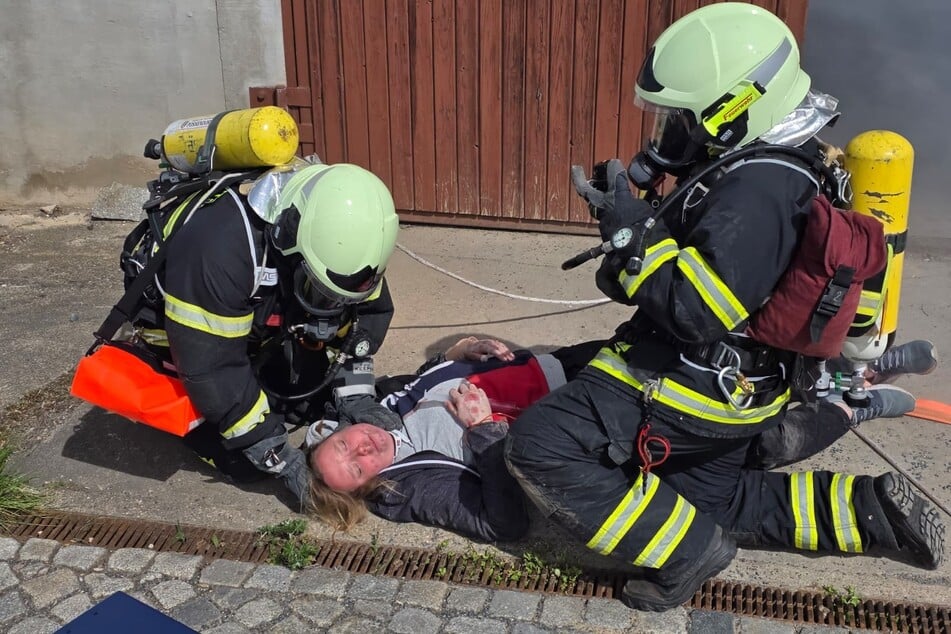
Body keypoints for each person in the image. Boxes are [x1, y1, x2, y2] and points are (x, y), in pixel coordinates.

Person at [503, 3, 946, 612]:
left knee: (539, 445)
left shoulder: (758, 187)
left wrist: (632, 235)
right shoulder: (781, 162)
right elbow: (684, 273)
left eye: (682, 119)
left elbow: (695, 310)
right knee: (708, 505)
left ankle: (686, 555)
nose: (670, 133)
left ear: (735, 109)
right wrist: (633, 233)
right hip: (745, 393)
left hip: (695, 387)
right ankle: (868, 513)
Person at [126, 160, 401, 504]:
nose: (331, 307)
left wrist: (355, 393)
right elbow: (213, 366)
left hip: (252, 315)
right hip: (183, 339)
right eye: (321, 293)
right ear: (288, 239)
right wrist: (276, 455)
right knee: (244, 461)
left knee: (305, 404)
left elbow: (363, 318)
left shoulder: (350, 248)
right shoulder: (219, 251)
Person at [304, 336, 603, 541]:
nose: (362, 448)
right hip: (578, 404)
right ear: (368, 485)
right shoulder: (414, 489)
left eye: (344, 444)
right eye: (358, 468)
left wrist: (457, 355)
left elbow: (415, 383)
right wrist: (483, 427)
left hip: (554, 363)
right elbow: (506, 525)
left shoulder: (378, 411)